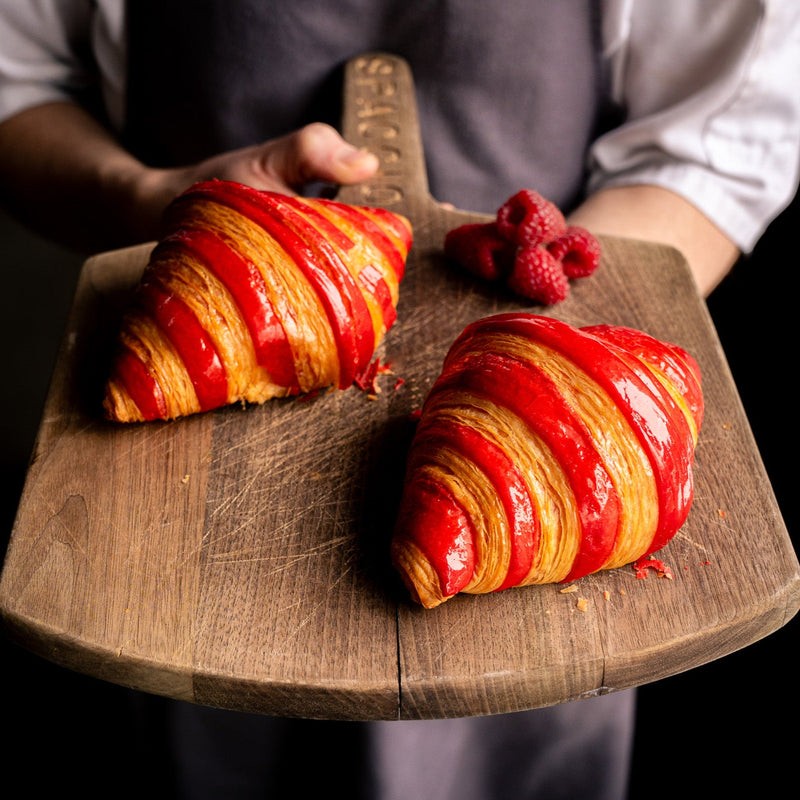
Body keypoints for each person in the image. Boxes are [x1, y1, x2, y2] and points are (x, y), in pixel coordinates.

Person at [0, 2, 798, 799]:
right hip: (175, 568)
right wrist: (147, 200)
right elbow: (14, 80)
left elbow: (721, 137)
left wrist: (560, 334)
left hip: (548, 608)